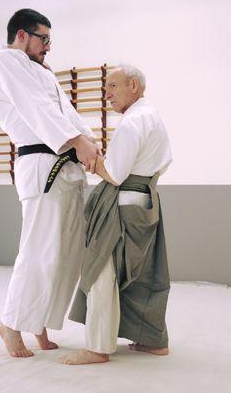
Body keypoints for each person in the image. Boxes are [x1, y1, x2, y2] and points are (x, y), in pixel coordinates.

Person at [0, 8, 98, 358]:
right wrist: (78, 142)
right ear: (21, 35)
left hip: (65, 164)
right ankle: (10, 323)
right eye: (43, 38)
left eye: (49, 40)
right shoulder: (5, 64)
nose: (48, 46)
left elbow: (65, 112)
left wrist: (89, 140)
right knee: (39, 251)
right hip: (41, 163)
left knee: (64, 253)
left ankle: (38, 322)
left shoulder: (40, 70)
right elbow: (36, 109)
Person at [61, 64, 172, 365]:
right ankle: (153, 340)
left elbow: (114, 172)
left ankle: (97, 347)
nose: (106, 93)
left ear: (133, 85)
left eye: (112, 86)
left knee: (101, 270)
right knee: (146, 274)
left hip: (121, 204)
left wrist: (91, 158)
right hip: (145, 202)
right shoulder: (152, 116)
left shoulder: (133, 121)